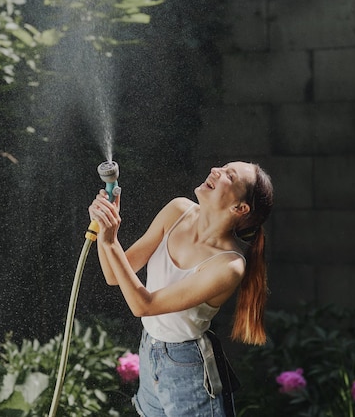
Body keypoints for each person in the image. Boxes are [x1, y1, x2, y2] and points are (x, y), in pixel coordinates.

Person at [88, 161, 273, 417]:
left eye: (229, 175)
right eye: (222, 167)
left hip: (187, 367)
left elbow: (144, 305)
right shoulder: (177, 210)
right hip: (149, 351)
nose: (216, 171)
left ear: (240, 208)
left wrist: (110, 241)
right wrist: (105, 230)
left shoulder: (228, 265)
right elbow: (115, 274)